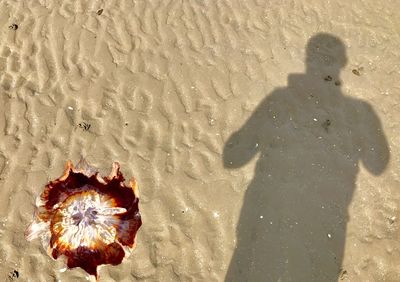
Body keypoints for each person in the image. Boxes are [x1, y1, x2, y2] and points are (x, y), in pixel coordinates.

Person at [223, 33, 390, 282]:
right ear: (342, 63)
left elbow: (232, 157)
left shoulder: (279, 98)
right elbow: (378, 165)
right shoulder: (360, 111)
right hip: (322, 224)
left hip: (269, 216)